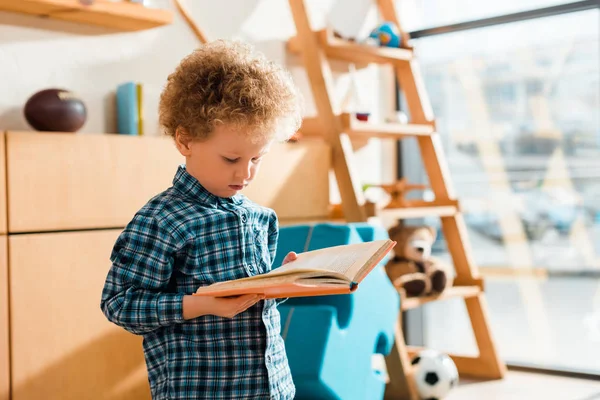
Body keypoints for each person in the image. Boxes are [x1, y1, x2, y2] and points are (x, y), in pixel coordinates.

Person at [100, 39, 303, 400]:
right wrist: (201, 304)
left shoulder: (261, 218)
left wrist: (280, 285)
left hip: (272, 388)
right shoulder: (162, 220)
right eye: (231, 159)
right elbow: (120, 304)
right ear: (185, 140)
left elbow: (251, 305)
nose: (246, 173)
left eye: (257, 158)